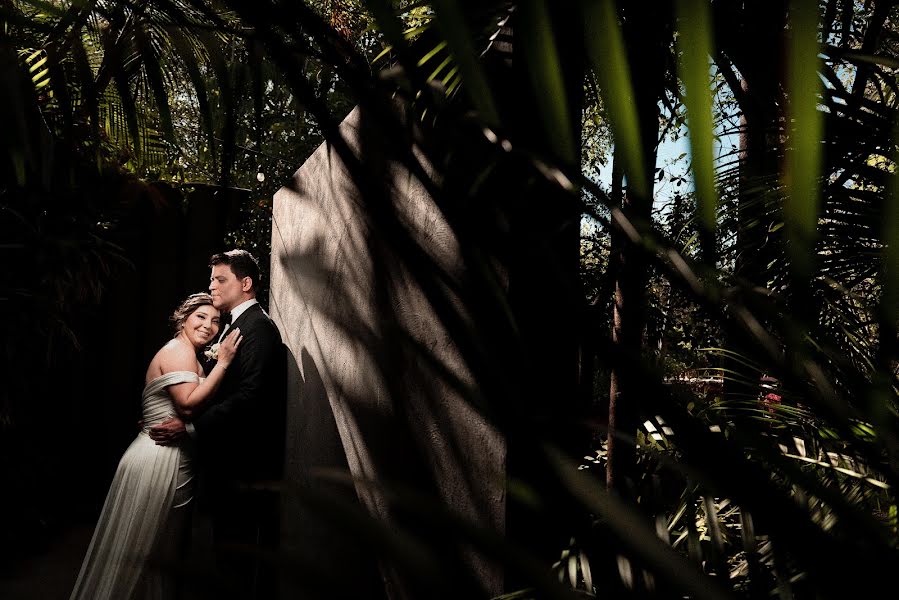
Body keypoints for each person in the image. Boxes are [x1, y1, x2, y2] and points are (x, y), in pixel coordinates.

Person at [71, 293, 242, 600]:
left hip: (164, 453)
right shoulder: (179, 351)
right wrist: (225, 363)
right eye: (201, 317)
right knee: (154, 547)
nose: (208, 326)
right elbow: (188, 407)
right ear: (184, 318)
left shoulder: (185, 352)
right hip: (162, 457)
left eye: (216, 321)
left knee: (158, 547)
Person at [150, 249, 286, 599]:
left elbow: (251, 397)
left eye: (220, 279)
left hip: (242, 466)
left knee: (235, 558)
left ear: (245, 283)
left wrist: (191, 428)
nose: (212, 286)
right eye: (211, 279)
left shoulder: (259, 330)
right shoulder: (233, 327)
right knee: (221, 553)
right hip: (223, 463)